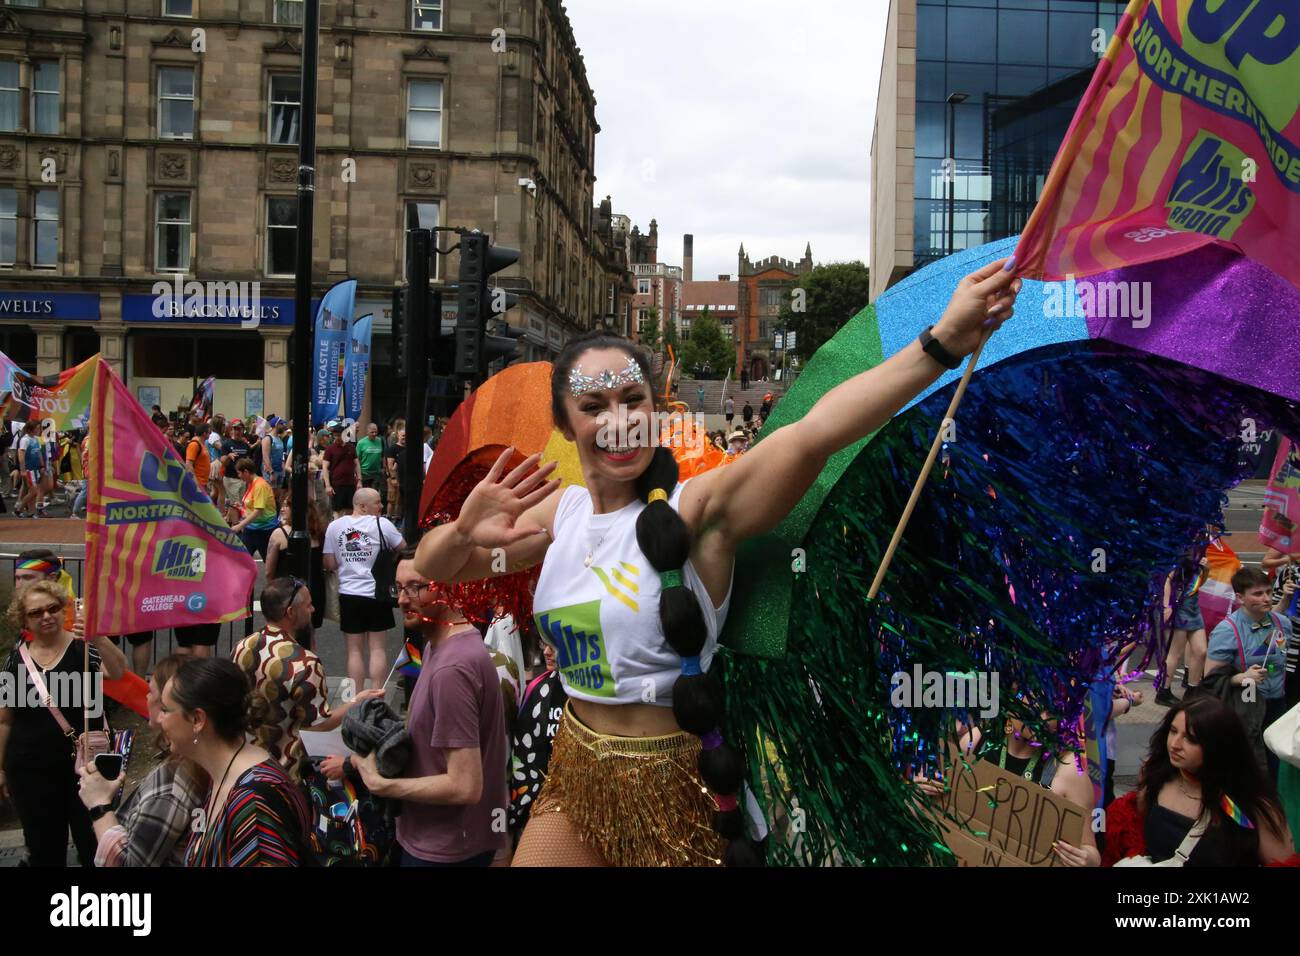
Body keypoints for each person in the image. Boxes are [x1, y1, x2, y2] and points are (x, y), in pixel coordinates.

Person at [413, 254, 1020, 867]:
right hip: (575, 770)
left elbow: (815, 434)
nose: (618, 421)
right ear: (565, 426)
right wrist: (464, 530)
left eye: (632, 399)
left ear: (656, 409)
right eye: (594, 407)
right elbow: (436, 566)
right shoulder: (559, 513)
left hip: (676, 786)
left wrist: (940, 343)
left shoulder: (697, 509)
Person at [352, 550, 509, 867]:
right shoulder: (441, 643)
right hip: (447, 840)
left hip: (445, 848)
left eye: (416, 587)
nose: (402, 600)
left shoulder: (452, 668)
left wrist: (382, 784)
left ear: (449, 586)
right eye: (399, 587)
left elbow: (464, 785)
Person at [0, 581, 128, 866]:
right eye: (36, 613)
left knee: (94, 846)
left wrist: (99, 638)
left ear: (62, 610)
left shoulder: (84, 648)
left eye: (53, 608)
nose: (46, 616)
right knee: (44, 849)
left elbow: (118, 671)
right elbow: (5, 720)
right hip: (30, 773)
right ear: (24, 619)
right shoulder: (14, 661)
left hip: (86, 771)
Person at [1099, 698, 1294, 865]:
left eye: (1190, 739)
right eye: (1173, 731)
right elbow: (1135, 835)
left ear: (1218, 745)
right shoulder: (1155, 778)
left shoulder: (1252, 806)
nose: (1175, 744)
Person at [163, 657, 313, 867]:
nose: (160, 720)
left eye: (165, 710)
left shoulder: (253, 802)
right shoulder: (225, 773)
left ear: (197, 719)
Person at [233, 578, 382, 782]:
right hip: (285, 771)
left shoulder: (242, 647)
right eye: (308, 605)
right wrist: (357, 701)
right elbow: (318, 724)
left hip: (243, 764)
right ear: (291, 613)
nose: (312, 609)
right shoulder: (305, 664)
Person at [76, 655, 205, 867]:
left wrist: (99, 805)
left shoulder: (171, 787)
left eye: (153, 693)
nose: (145, 697)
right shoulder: (185, 763)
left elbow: (129, 864)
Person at [1205, 566, 1291, 778]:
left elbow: (1278, 660)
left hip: (1277, 705)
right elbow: (1210, 679)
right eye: (1258, 594)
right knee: (1251, 767)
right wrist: (1242, 677)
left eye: (1269, 592)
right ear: (1240, 598)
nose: (1267, 598)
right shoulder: (1227, 631)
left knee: (1277, 767)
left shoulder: (1282, 624)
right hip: (1246, 706)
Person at [323, 487, 405, 690]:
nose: (382, 506)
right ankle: (377, 693)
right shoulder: (383, 525)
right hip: (376, 593)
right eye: (377, 502)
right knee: (377, 649)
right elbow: (403, 547)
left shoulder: (335, 527)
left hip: (349, 594)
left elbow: (330, 563)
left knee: (354, 651)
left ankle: (355, 697)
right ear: (362, 506)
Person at [509, 640, 567, 845]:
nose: (547, 652)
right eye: (544, 644)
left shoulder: (594, 693)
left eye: (555, 645)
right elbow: (523, 753)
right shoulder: (538, 688)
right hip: (542, 807)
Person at [264, 495, 326, 637]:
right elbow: (325, 563)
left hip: (286, 592)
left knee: (284, 635)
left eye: (287, 505)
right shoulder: (318, 533)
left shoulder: (280, 533)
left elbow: (268, 571)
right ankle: (309, 659)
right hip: (314, 590)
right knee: (309, 634)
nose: (283, 508)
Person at [1158, 554, 1209, 705]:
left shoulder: (1200, 553)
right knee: (1175, 652)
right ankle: (1164, 691)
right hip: (1180, 607)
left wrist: (1205, 569)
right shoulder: (1183, 553)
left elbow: (1200, 582)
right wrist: (1166, 606)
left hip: (1194, 607)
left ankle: (1192, 690)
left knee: (1201, 651)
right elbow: (1167, 578)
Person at [230, 457, 280, 560]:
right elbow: (253, 507)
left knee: (269, 564)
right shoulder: (252, 483)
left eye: (239, 473)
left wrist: (239, 526)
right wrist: (241, 507)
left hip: (264, 530)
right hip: (251, 529)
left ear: (246, 472)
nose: (239, 476)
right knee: (242, 560)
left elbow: (258, 511)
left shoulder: (260, 485)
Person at [323, 424, 360, 517]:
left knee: (350, 510)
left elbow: (356, 464)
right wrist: (328, 485)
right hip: (337, 484)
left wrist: (359, 480)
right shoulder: (330, 449)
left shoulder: (351, 447)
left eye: (339, 435)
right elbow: (325, 468)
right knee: (337, 511)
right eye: (335, 435)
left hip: (351, 483)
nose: (337, 437)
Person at [218, 420, 252, 521]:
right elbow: (222, 461)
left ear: (242, 430)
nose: (237, 431)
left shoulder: (245, 445)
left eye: (239, 429)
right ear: (232, 430)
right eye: (235, 428)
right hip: (231, 478)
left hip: (243, 479)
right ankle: (236, 526)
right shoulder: (227, 444)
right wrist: (229, 456)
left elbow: (248, 460)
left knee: (238, 503)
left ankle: (227, 521)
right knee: (236, 504)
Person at [16, 420, 45, 518]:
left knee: (32, 492)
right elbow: (21, 455)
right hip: (29, 469)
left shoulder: (36, 439)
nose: (39, 430)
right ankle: (19, 509)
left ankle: (31, 512)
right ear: (31, 429)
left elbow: (39, 453)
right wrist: (23, 469)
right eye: (37, 428)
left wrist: (42, 466)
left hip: (36, 469)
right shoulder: (25, 440)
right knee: (34, 491)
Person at [261, 422, 288, 510]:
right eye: (282, 424)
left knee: (278, 497)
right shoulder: (268, 438)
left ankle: (276, 516)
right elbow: (265, 456)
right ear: (276, 425)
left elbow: (282, 456)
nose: (284, 426)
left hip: (279, 471)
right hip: (271, 472)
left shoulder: (279, 438)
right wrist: (271, 472)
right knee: (270, 496)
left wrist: (283, 471)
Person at [357, 422, 386, 502]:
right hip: (364, 473)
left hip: (376, 473)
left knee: (374, 495)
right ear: (367, 432)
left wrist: (384, 468)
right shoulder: (361, 443)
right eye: (372, 432)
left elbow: (383, 455)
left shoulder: (380, 441)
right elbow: (357, 460)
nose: (374, 434)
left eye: (376, 432)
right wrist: (357, 474)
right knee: (365, 496)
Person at [184, 422, 213, 497]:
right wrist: (196, 483)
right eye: (209, 432)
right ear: (204, 433)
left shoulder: (202, 444)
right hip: (198, 483)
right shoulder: (194, 444)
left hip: (203, 483)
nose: (210, 435)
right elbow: (189, 464)